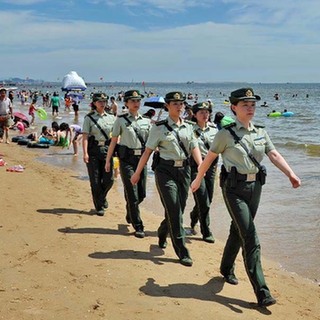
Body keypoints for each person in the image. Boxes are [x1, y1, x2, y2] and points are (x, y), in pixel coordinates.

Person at [191, 88, 301, 307]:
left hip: (256, 186)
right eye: (245, 105)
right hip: (233, 188)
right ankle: (262, 291)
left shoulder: (261, 131)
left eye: (252, 104)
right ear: (233, 107)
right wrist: (198, 179)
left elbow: (274, 154)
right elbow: (210, 158)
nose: (250, 108)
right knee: (249, 234)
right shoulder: (225, 134)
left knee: (238, 229)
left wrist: (291, 173)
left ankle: (225, 267)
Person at [130, 91, 202, 266]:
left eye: (181, 103)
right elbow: (147, 151)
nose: (179, 106)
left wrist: (201, 167)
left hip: (184, 170)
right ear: (167, 106)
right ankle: (182, 251)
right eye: (175, 103)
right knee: (175, 209)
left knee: (179, 207)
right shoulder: (159, 127)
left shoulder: (189, 127)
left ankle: (163, 231)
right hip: (165, 171)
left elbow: (194, 148)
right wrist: (138, 172)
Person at [105, 90, 151, 238]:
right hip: (127, 161)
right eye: (132, 101)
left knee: (141, 193)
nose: (136, 103)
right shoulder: (121, 120)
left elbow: (151, 143)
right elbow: (113, 141)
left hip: (141, 161)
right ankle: (138, 225)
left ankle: (130, 209)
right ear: (126, 103)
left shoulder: (146, 121)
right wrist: (108, 160)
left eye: (138, 101)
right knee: (132, 192)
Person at [189, 102, 218, 243]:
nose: (205, 115)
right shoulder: (189, 129)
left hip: (211, 167)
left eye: (207, 112)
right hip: (195, 167)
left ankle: (194, 217)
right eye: (201, 112)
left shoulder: (214, 129)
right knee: (203, 199)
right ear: (194, 115)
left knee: (208, 199)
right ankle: (206, 230)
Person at [82, 93, 115, 216]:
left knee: (109, 180)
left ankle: (102, 196)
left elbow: (116, 135)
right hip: (93, 150)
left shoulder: (111, 117)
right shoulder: (89, 118)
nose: (102, 103)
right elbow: (85, 136)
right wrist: (85, 153)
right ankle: (99, 206)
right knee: (95, 180)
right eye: (100, 101)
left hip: (107, 149)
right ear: (94, 103)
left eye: (104, 101)